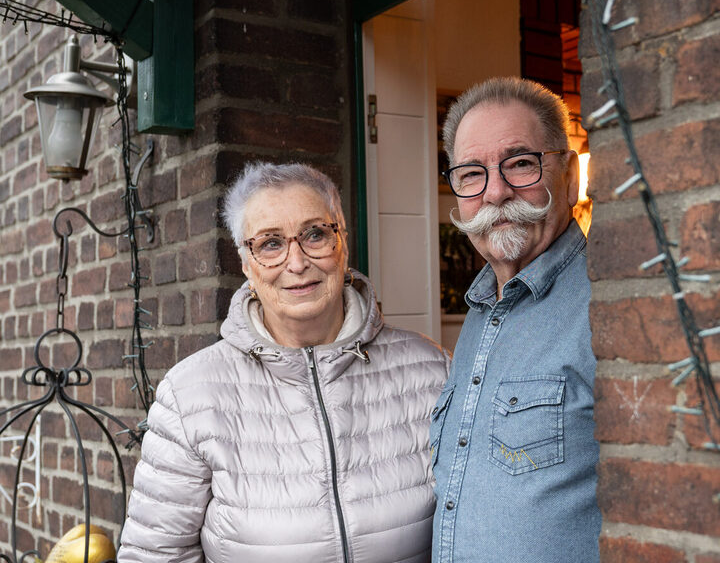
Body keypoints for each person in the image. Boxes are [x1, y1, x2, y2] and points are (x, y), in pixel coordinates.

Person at [119, 162, 449, 563]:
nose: (296, 263)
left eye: (315, 234)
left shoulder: (431, 370)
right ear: (246, 264)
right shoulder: (191, 396)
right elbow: (154, 556)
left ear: (341, 243)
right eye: (271, 243)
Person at [430, 77, 600, 562]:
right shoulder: (481, 314)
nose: (496, 192)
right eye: (471, 174)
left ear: (568, 176)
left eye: (521, 164)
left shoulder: (608, 308)